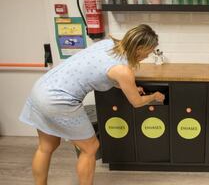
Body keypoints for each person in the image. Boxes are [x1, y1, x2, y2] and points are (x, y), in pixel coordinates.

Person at [19, 24, 165, 185]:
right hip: (58, 100)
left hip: (41, 88)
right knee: (90, 148)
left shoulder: (108, 44)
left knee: (46, 146)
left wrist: (128, 86)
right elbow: (136, 102)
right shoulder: (123, 71)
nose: (148, 55)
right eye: (149, 51)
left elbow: (99, 72)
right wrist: (154, 96)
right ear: (139, 48)